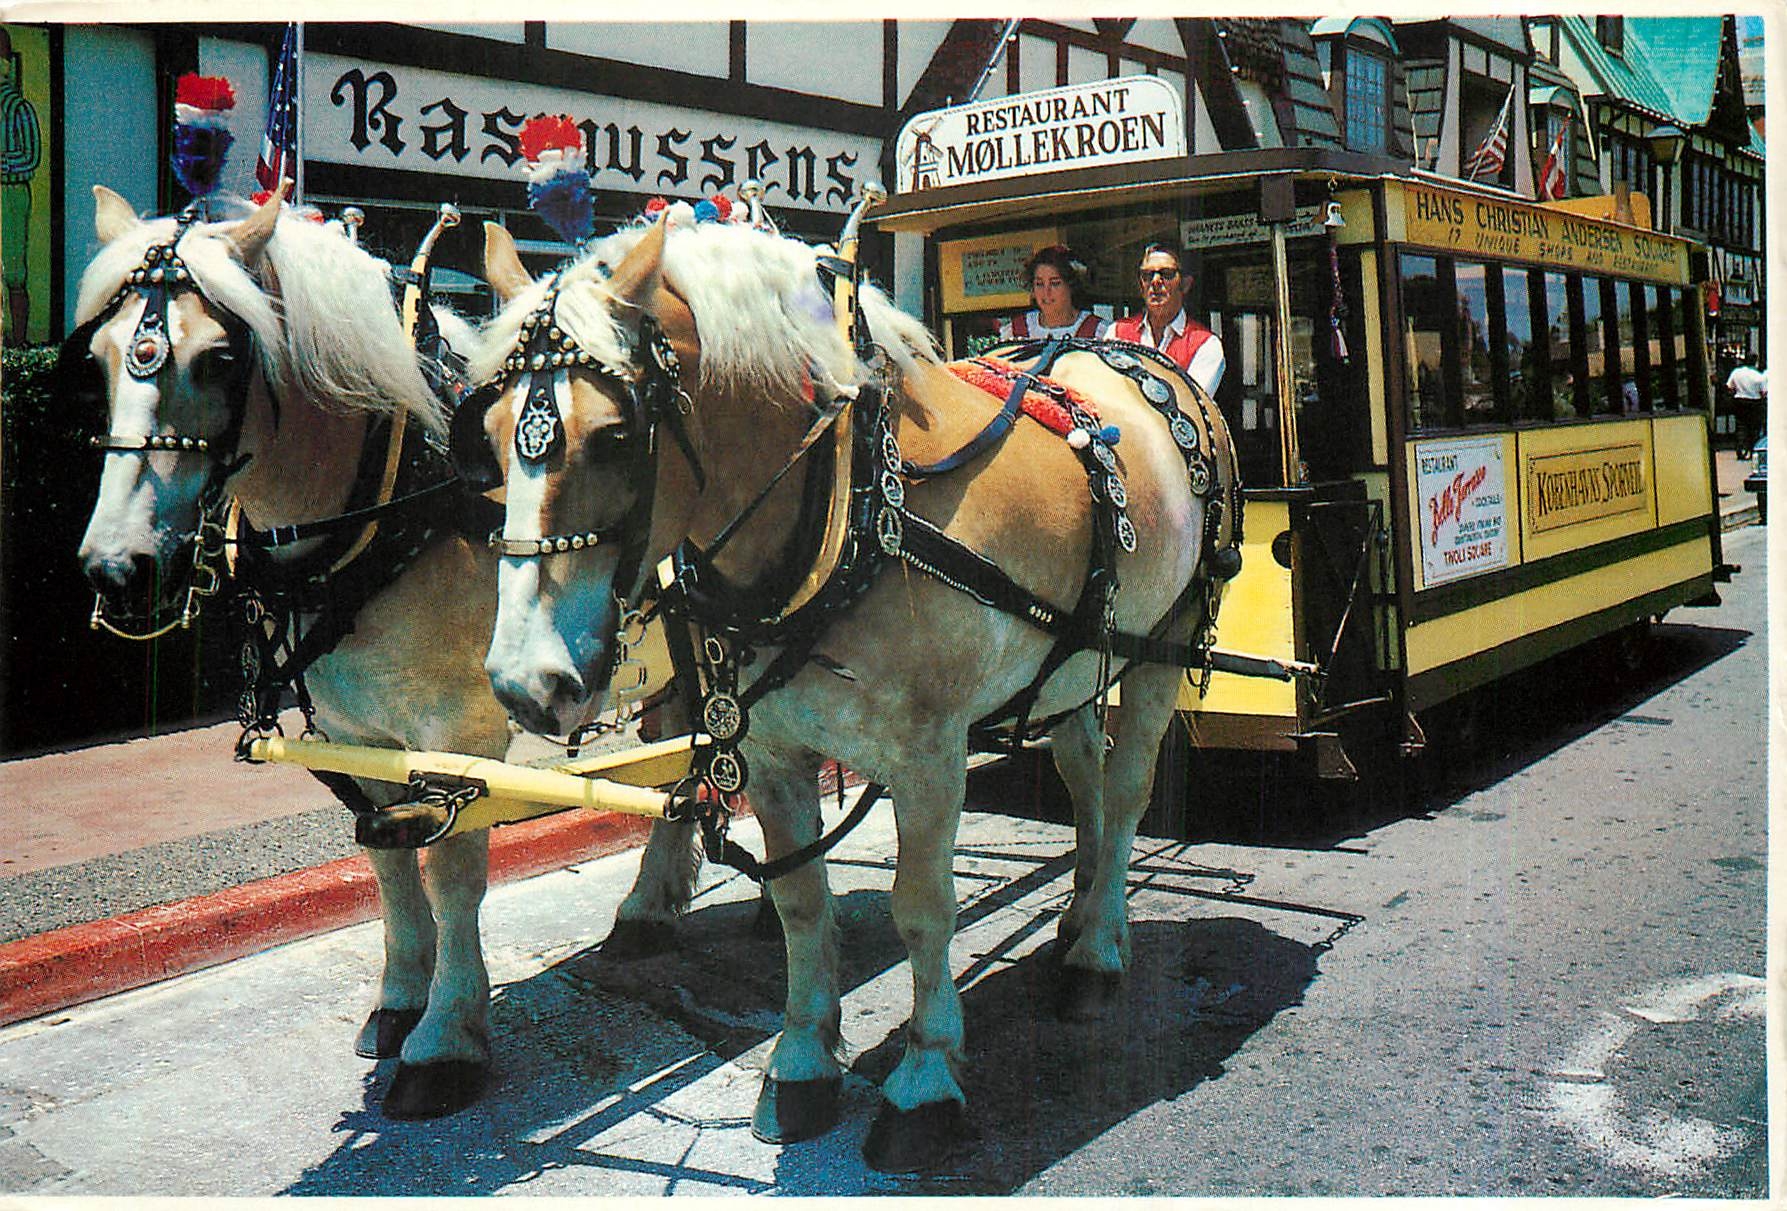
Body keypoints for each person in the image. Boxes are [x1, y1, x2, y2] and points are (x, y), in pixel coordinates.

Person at [1112, 242, 1226, 395]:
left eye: (1166, 274)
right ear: (1141, 285)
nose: (1155, 281)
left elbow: (1188, 407)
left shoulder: (1206, 345)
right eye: (1147, 275)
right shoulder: (1115, 333)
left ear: (1185, 284)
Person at [0, 29, 42, 342]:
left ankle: (18, 341)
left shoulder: (18, 108)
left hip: (10, 194)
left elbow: (31, 158)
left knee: (14, 273)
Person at [998, 244, 1108, 341]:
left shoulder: (1097, 331)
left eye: (1055, 283)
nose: (1046, 292)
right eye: (1039, 284)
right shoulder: (1016, 331)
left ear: (1071, 285)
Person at [1724, 358, 1767, 460]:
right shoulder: (1758, 376)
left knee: (1741, 425)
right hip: (1754, 402)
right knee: (1754, 427)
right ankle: (1752, 450)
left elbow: (1729, 386)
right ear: (1755, 362)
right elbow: (1763, 392)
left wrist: (1736, 391)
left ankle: (1740, 448)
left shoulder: (1736, 372)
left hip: (1739, 400)